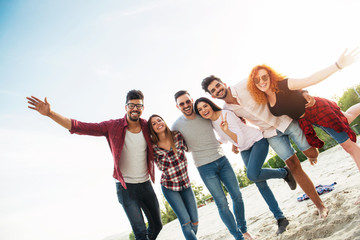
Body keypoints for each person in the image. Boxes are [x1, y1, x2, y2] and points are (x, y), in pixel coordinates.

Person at [26, 90, 162, 240]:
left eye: (139, 106)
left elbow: (165, 135)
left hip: (145, 184)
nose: (135, 109)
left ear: (143, 108)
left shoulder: (148, 126)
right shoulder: (113, 126)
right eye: (131, 105)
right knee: (140, 233)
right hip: (126, 188)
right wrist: (51, 113)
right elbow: (80, 127)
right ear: (125, 107)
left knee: (157, 226)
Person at [201, 74, 329, 218]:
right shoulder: (227, 110)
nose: (217, 90)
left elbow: (278, 81)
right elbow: (236, 126)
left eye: (217, 85)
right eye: (213, 90)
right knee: (293, 164)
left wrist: (303, 91)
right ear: (212, 96)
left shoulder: (245, 84)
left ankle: (310, 154)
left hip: (284, 119)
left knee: (313, 154)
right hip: (269, 133)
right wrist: (234, 144)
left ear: (223, 83)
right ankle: (320, 206)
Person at [246, 48, 360, 204]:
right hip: (306, 120)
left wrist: (337, 65)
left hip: (318, 110)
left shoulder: (284, 84)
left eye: (264, 77)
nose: (261, 82)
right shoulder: (265, 98)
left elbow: (309, 79)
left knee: (350, 147)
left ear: (270, 75)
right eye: (257, 80)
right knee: (347, 117)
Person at [194, 97, 295, 235]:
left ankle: (284, 172)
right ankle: (281, 218)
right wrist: (220, 143)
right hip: (244, 149)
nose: (203, 110)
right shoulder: (212, 123)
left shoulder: (226, 114)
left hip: (257, 141)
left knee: (252, 175)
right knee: (260, 183)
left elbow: (240, 139)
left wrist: (230, 135)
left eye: (205, 106)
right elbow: (224, 138)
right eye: (200, 109)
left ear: (211, 105)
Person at [172, 90, 254, 240]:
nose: (186, 105)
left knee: (237, 196)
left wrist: (234, 142)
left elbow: (221, 124)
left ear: (192, 100)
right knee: (222, 204)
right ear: (178, 107)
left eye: (187, 101)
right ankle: (238, 237)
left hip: (222, 159)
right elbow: (175, 144)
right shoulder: (176, 125)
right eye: (181, 104)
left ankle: (243, 229)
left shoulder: (204, 114)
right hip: (204, 167)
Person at [148, 114, 199, 240]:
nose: (157, 123)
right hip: (169, 187)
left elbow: (192, 141)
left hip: (185, 184)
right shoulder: (152, 147)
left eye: (159, 120)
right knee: (186, 222)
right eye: (153, 123)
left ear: (164, 121)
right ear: (151, 129)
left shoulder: (177, 135)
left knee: (195, 222)